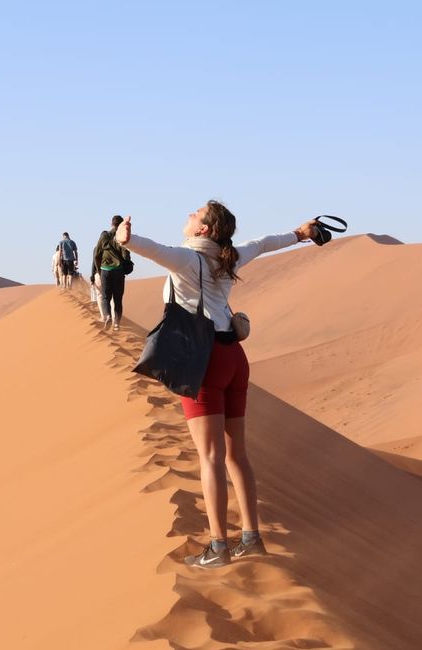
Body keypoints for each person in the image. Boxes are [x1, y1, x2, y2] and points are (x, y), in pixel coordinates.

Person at [116, 201, 318, 569]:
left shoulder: (187, 259)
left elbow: (153, 250)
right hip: (233, 360)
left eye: (195, 214)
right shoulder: (231, 256)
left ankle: (218, 546)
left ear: (204, 230)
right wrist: (301, 234)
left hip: (204, 360)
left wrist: (126, 239)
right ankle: (251, 539)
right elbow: (265, 242)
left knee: (210, 458)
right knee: (236, 455)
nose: (188, 216)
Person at [92, 216, 132, 331]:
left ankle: (108, 316)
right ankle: (116, 325)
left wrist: (99, 270)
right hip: (118, 271)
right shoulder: (121, 237)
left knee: (105, 297)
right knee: (118, 299)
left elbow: (96, 254)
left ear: (111, 224)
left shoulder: (104, 236)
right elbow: (126, 256)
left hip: (105, 270)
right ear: (120, 225)